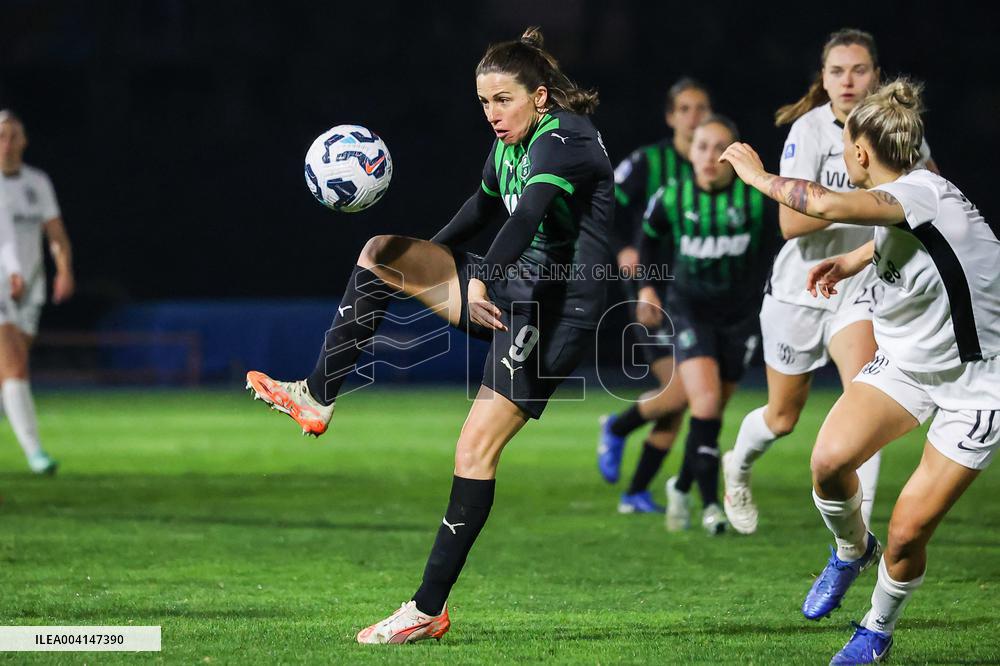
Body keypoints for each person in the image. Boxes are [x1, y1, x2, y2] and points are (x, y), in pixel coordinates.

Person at [245, 27, 613, 644]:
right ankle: (317, 394)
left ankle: (426, 609)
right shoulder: (511, 147)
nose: (493, 114)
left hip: (557, 312)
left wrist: (480, 280)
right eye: (485, 102)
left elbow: (525, 217)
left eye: (504, 100)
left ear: (540, 97)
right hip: (512, 285)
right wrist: (430, 260)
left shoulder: (566, 142)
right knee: (383, 253)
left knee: (474, 452)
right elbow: (483, 206)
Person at [721, 78, 999, 664]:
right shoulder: (909, 194)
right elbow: (907, 239)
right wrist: (850, 260)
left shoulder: (914, 196)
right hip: (907, 361)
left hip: (974, 388)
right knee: (827, 462)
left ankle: (875, 630)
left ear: (861, 154)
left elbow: (820, 204)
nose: (843, 152)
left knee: (906, 534)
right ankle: (851, 551)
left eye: (846, 143)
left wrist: (754, 174)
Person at [721, 29, 937, 535]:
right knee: (782, 417)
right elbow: (791, 224)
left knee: (866, 395)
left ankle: (855, 537)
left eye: (859, 69)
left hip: (861, 286)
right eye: (837, 71)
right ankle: (738, 466)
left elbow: (933, 193)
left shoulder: (902, 134)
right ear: (823, 79)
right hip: (801, 287)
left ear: (877, 76)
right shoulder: (810, 131)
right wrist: (864, 209)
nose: (848, 80)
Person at [635, 115, 777, 533]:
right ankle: (712, 503)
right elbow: (647, 239)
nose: (710, 156)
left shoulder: (755, 199)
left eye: (720, 148)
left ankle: (681, 483)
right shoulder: (673, 196)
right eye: (702, 147)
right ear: (690, 152)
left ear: (735, 157)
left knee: (709, 416)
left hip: (740, 317)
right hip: (689, 311)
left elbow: (781, 243)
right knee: (707, 404)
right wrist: (647, 288)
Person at [597, 78, 711, 514]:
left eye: (701, 108)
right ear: (671, 116)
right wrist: (622, 247)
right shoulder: (650, 161)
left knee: (678, 398)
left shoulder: (714, 163)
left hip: (696, 291)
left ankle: (635, 491)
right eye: (685, 108)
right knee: (681, 391)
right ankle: (618, 428)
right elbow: (608, 203)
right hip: (653, 284)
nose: (694, 116)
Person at [0, 110, 75, 475]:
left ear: (24, 141)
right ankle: (35, 453)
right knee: (13, 363)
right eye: (1, 136)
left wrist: (63, 269)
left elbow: (55, 234)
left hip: (30, 286)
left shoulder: (36, 183)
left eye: (14, 136)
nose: (7, 144)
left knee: (10, 371)